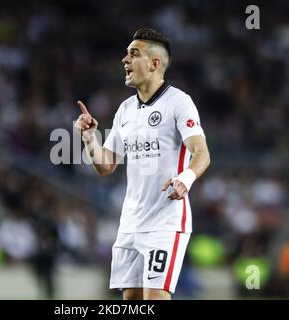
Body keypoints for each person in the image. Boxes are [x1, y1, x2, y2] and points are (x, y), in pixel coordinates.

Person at [74, 28, 210, 300]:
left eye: (133, 54)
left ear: (154, 63)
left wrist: (185, 179)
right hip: (130, 222)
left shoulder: (179, 103)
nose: (124, 60)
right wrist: (90, 138)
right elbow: (105, 166)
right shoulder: (125, 110)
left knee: (154, 299)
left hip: (165, 221)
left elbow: (202, 154)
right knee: (132, 300)